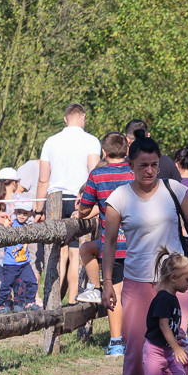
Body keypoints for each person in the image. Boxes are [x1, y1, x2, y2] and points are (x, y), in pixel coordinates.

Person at [102, 131, 188, 375]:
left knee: (178, 342)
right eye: (143, 166)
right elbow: (110, 244)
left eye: (153, 164)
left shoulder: (174, 189)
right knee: (137, 345)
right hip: (138, 281)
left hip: (177, 281)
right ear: (131, 166)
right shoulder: (119, 198)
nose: (149, 171)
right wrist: (107, 283)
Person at [36, 103, 101, 305]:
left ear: (65, 119)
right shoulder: (91, 141)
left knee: (58, 253)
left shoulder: (51, 141)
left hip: (55, 199)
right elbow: (93, 172)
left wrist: (38, 208)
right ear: (83, 118)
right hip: (78, 199)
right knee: (75, 253)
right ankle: (73, 299)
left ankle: (52, 300)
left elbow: (43, 179)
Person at [76, 132, 135, 356]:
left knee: (114, 294)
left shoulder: (98, 174)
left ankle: (117, 342)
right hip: (138, 244)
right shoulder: (134, 172)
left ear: (104, 152)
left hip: (113, 245)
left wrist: (85, 209)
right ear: (127, 151)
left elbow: (84, 208)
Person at [0, 197, 39, 315]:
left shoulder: (28, 227)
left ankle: (29, 302)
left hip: (24, 263)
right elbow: (1, 235)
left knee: (32, 281)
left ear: (29, 214)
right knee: (6, 286)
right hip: (11, 264)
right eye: (19, 213)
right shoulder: (12, 224)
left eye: (25, 213)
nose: (22, 216)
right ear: (15, 213)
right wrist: (5, 225)